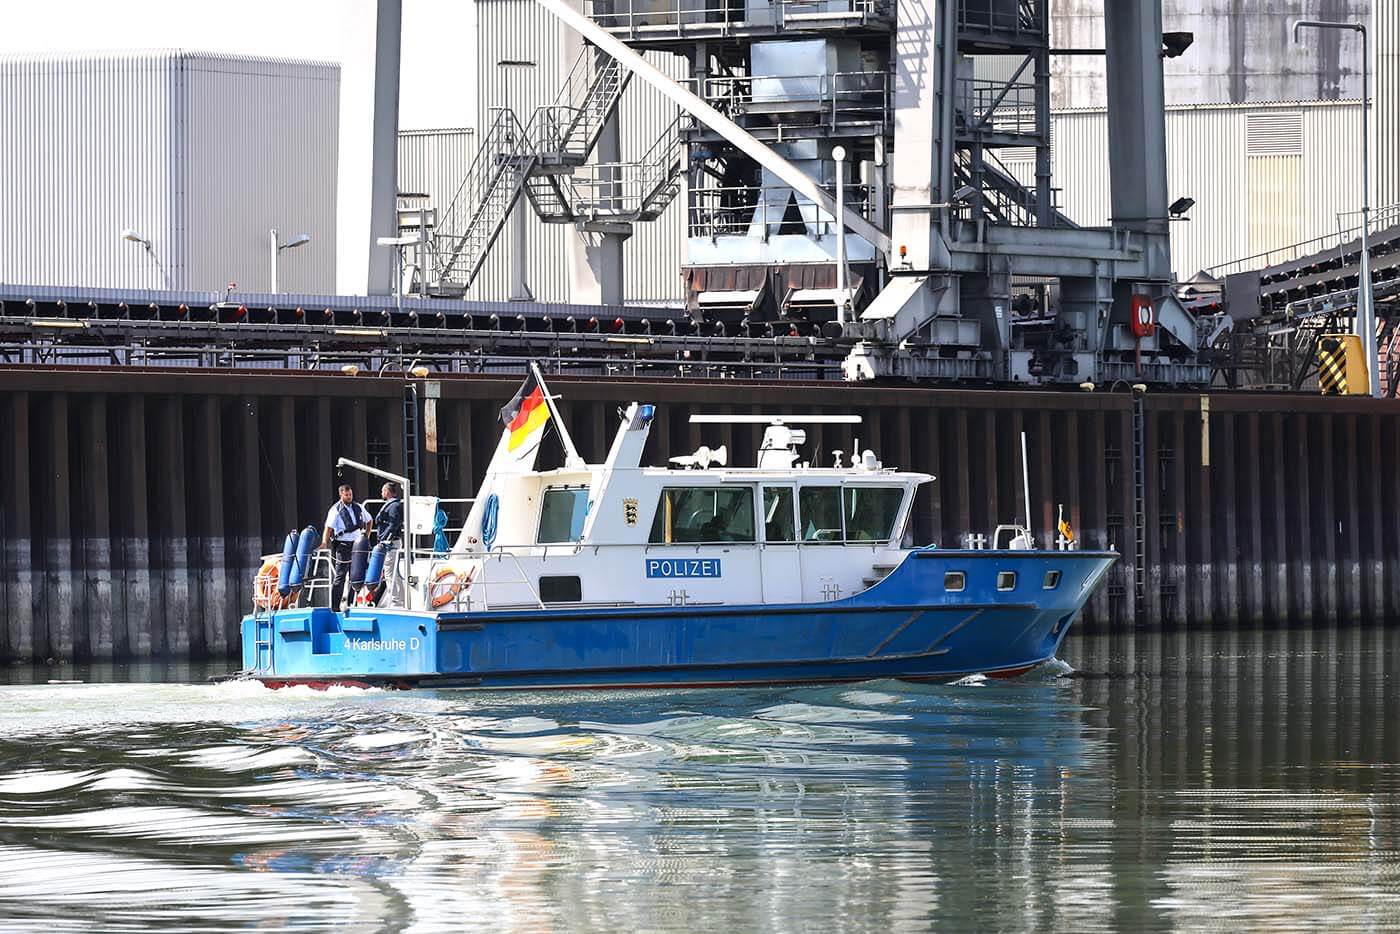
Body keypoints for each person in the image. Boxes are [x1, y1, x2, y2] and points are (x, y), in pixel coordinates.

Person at [321, 483, 371, 612]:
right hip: (343, 545)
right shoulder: (335, 510)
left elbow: (369, 520)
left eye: (350, 494)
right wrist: (324, 542)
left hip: (357, 544)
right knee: (340, 576)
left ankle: (351, 603)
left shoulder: (358, 507)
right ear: (341, 494)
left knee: (356, 575)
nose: (349, 497)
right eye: (347, 495)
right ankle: (335, 606)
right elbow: (328, 528)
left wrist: (367, 536)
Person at [375, 481, 404, 547]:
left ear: (386, 492)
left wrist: (384, 537)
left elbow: (393, 524)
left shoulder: (394, 506)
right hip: (387, 540)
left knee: (390, 557)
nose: (381, 493)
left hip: (391, 541)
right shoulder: (391, 505)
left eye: (382, 491)